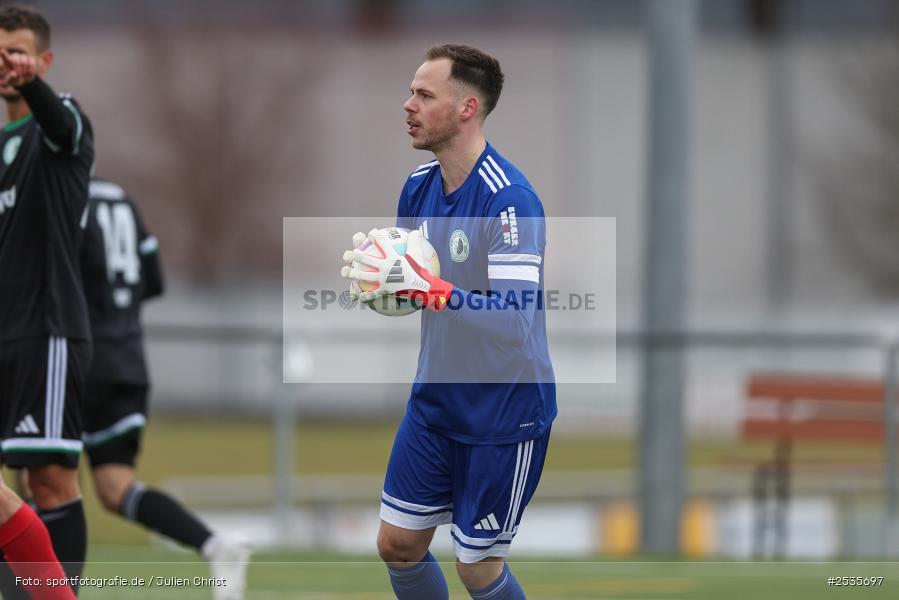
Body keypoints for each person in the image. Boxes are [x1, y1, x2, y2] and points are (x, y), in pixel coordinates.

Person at [342, 44, 556, 600]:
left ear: (466, 108)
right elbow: (412, 288)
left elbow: (514, 324)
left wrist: (435, 292)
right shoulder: (418, 186)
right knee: (397, 544)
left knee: (477, 568)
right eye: (411, 91)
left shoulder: (510, 201)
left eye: (424, 94)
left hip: (502, 414)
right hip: (436, 402)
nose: (408, 104)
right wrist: (384, 282)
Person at [79, 177, 250, 600]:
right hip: (127, 361)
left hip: (77, 356)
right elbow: (153, 280)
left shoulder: (59, 196)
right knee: (115, 488)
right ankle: (215, 546)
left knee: (43, 476)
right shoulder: (123, 201)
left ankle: (41, 588)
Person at [0, 4, 93, 597]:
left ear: (44, 60)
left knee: (49, 479)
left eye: (18, 52)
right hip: (5, 331)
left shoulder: (61, 124)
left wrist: (33, 84)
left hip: (46, 330)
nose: (8, 62)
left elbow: (61, 125)